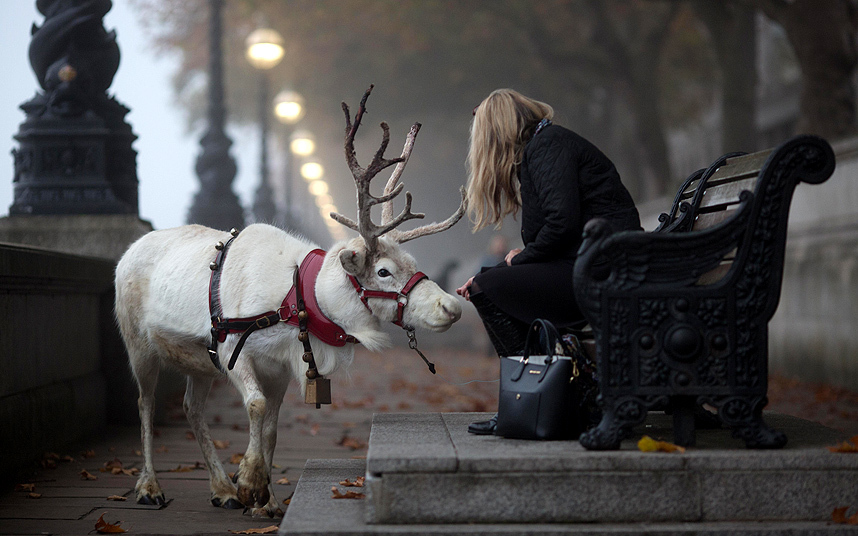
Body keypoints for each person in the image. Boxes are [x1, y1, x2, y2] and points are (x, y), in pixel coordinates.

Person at [456, 89, 641, 435]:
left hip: (602, 269)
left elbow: (562, 224)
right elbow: (558, 231)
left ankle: (534, 399)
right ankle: (539, 400)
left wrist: (517, 260)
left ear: (497, 131)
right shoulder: (543, 147)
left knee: (487, 286)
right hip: (591, 263)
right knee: (486, 282)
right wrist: (505, 267)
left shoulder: (548, 146)